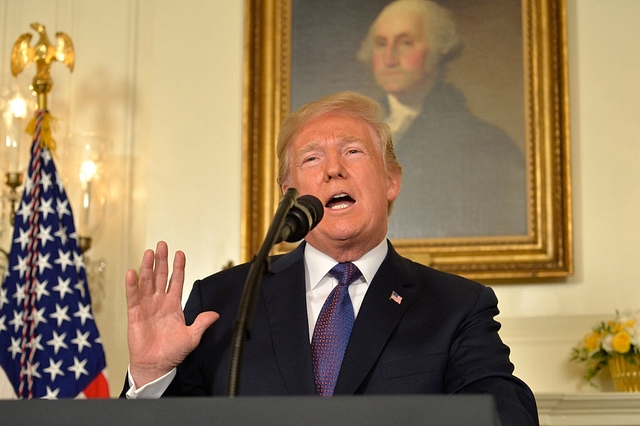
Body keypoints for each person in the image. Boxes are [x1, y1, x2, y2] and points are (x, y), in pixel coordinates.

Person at [122, 91, 538, 426]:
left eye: (354, 152)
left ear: (391, 180)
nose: (333, 170)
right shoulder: (222, 302)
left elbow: (503, 413)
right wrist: (150, 376)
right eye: (312, 158)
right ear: (289, 192)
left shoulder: (456, 307)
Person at [357, 0, 527, 239]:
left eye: (406, 43)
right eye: (381, 44)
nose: (389, 58)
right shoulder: (354, 132)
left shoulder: (485, 143)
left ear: (438, 49)